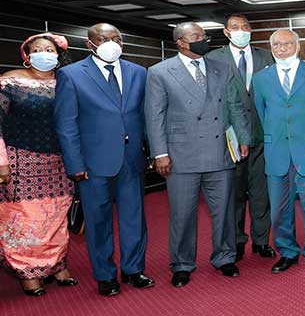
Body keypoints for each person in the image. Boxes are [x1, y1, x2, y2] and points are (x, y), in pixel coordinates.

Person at [145, 22, 250, 288]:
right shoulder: (160, 72)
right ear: (180, 41)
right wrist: (160, 153)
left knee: (224, 210)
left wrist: (243, 139)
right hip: (181, 155)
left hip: (220, 151)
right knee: (182, 213)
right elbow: (154, 116)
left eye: (203, 36)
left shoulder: (222, 68)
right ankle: (182, 264)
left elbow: (235, 106)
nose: (203, 40)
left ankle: (225, 257)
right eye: (196, 36)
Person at [54, 23, 153, 296]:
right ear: (90, 44)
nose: (112, 43)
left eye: (117, 38)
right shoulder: (71, 75)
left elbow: (146, 117)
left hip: (132, 159)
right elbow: (66, 124)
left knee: (135, 219)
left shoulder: (138, 72)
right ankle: (106, 275)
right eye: (104, 38)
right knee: (98, 222)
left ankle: (133, 269)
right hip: (93, 164)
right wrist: (74, 164)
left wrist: (152, 151)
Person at [253, 29, 305, 273]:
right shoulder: (260, 79)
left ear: (298, 46)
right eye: (276, 44)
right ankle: (287, 252)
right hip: (277, 153)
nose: (281, 48)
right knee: (279, 211)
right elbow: (261, 114)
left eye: (287, 44)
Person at [0, 33, 75, 296]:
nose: (44, 53)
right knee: (25, 219)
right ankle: (27, 272)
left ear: (58, 54)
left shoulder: (67, 81)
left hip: (61, 161)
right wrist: (2, 163)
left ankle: (56, 265)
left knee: (56, 217)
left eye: (49, 49)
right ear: (27, 55)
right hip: (21, 162)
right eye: (37, 49)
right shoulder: (10, 81)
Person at [206, 14, 275, 261]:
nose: (241, 31)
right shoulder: (213, 59)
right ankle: (235, 241)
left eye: (245, 27)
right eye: (235, 27)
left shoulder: (267, 57)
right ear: (226, 32)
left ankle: (261, 240)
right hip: (230, 136)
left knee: (261, 192)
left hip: (263, 134)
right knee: (233, 193)